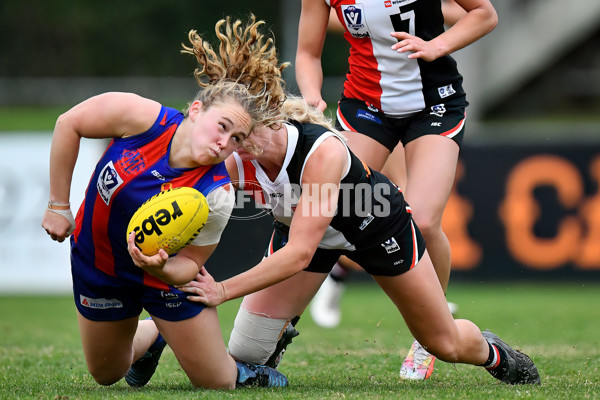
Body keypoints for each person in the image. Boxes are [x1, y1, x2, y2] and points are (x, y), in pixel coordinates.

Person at [177, 96, 540, 387]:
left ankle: (495, 352)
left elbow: (299, 254)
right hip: (308, 234)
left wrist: (221, 291)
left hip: (374, 226)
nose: (230, 145)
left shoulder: (320, 151)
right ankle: (269, 334)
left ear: (272, 121)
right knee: (245, 352)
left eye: (241, 135)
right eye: (228, 135)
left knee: (444, 344)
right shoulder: (233, 158)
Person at [40, 15, 290, 390]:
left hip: (163, 279)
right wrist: (59, 205)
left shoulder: (218, 193)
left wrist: (162, 269)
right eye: (223, 126)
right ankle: (154, 335)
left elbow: (191, 264)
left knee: (217, 382)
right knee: (107, 374)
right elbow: (68, 124)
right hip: (101, 264)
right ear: (195, 110)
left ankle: (244, 370)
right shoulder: (142, 119)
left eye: (237, 139)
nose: (226, 143)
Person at [295, 0, 498, 380]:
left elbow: (484, 13)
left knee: (420, 219)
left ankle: (430, 337)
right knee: (328, 211)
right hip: (365, 107)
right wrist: (311, 96)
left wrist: (439, 45)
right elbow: (308, 53)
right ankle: (275, 330)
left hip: (434, 104)